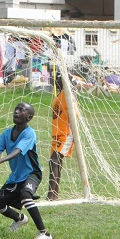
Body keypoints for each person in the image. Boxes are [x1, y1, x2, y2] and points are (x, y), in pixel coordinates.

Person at [0, 102, 52, 239]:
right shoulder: (6, 134)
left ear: (29, 117)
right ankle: (20, 219)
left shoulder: (29, 133)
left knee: (25, 195)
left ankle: (45, 234)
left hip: (32, 173)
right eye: (16, 109)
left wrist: (2, 160)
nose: (16, 112)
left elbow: (17, 151)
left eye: (21, 110)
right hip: (16, 176)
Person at [48, 72, 73, 201]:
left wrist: (72, 136)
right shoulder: (59, 95)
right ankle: (54, 194)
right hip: (57, 135)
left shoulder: (69, 96)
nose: (56, 80)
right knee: (55, 163)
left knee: (54, 161)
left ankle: (51, 195)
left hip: (66, 134)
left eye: (59, 78)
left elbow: (74, 116)